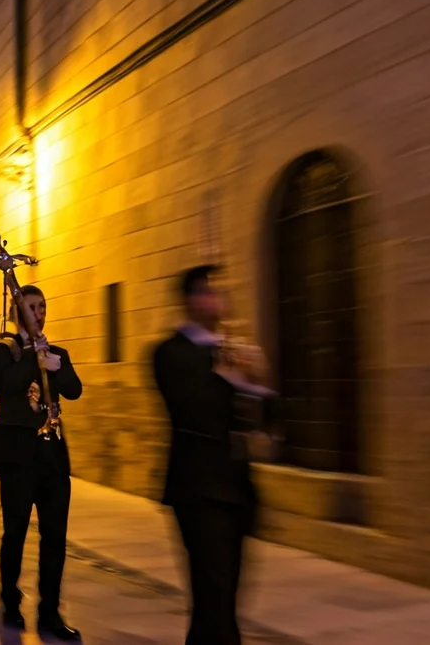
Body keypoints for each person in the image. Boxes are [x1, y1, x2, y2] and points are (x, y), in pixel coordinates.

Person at [152, 265, 267, 645]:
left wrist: (257, 383)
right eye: (211, 291)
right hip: (198, 489)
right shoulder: (169, 353)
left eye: (222, 291)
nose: (220, 299)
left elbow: (260, 419)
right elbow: (193, 410)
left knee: (222, 598)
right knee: (213, 591)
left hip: (236, 486)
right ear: (191, 299)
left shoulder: (230, 350)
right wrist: (232, 377)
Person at [0, 284, 82, 640]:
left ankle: (50, 611)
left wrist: (55, 365)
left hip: (52, 455)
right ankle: (10, 598)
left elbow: (73, 389)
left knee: (55, 535)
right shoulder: (0, 350)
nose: (38, 313)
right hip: (16, 454)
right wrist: (32, 356)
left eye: (42, 306)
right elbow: (5, 383)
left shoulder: (57, 351)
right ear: (16, 311)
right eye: (31, 307)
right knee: (16, 532)